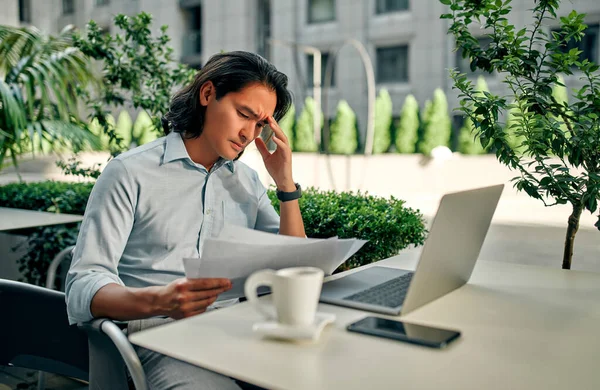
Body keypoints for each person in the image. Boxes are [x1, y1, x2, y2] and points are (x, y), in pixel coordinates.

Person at [65, 51, 305, 389]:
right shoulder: (130, 172)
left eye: (260, 124)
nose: (249, 134)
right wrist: (159, 300)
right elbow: (81, 285)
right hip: (157, 337)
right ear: (207, 95)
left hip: (238, 331)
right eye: (243, 114)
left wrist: (285, 183)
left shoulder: (248, 182)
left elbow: (292, 269)